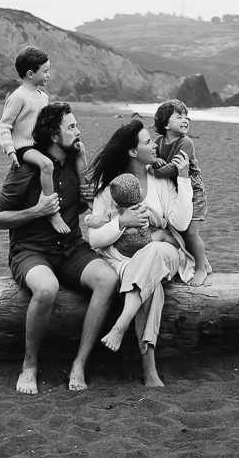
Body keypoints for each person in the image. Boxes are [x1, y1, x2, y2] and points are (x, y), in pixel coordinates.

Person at [0, 101, 118, 394]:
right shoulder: (26, 169)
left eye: (76, 125)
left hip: (71, 248)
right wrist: (36, 210)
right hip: (30, 251)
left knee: (108, 279)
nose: (78, 131)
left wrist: (90, 191)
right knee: (47, 289)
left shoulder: (75, 161)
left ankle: (79, 363)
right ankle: (29, 366)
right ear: (53, 135)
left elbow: (87, 206)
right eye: (71, 127)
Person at [86, 119, 194, 388]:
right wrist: (122, 223)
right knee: (150, 285)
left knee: (154, 251)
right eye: (147, 142)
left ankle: (120, 325)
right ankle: (149, 369)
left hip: (166, 253)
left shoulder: (160, 181)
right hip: (130, 264)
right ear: (133, 152)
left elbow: (179, 224)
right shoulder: (114, 188)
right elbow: (94, 237)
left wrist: (182, 179)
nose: (154, 145)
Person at [0, 45, 91, 234]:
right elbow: (4, 125)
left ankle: (88, 196)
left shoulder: (43, 97)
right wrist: (10, 150)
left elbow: (48, 123)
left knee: (76, 152)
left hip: (39, 144)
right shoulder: (19, 97)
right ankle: (52, 211)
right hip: (24, 148)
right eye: (45, 71)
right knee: (47, 165)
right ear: (31, 74)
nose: (49, 75)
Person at [150, 99, 211, 285]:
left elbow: (174, 169)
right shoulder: (158, 142)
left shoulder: (186, 142)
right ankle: (205, 263)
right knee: (181, 233)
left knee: (192, 233)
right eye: (179, 116)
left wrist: (155, 170)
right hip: (176, 194)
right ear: (166, 124)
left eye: (187, 116)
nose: (185, 120)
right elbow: (152, 157)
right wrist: (154, 162)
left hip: (194, 191)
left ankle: (201, 269)